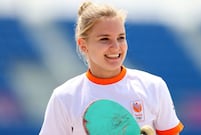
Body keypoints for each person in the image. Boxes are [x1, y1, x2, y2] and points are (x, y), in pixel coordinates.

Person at [39, 1, 184, 135]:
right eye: (104, 39)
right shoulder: (64, 97)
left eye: (121, 37)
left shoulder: (154, 87)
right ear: (83, 45)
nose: (115, 47)